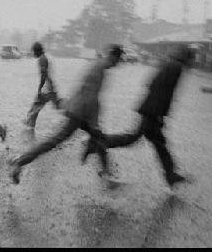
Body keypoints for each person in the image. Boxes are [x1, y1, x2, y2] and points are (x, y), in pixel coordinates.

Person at [8, 44, 125, 184]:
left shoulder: (98, 66)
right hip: (80, 112)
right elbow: (91, 99)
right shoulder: (99, 70)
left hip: (78, 109)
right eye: (119, 60)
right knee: (56, 140)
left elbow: (86, 93)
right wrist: (95, 124)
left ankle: (106, 174)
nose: (118, 63)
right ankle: (19, 161)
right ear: (114, 57)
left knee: (98, 140)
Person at [82, 44, 195, 188]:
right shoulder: (177, 68)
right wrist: (160, 114)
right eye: (192, 59)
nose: (192, 63)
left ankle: (171, 174)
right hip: (153, 111)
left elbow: (151, 84)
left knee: (159, 143)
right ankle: (98, 143)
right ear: (187, 57)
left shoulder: (168, 64)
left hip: (150, 108)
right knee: (134, 138)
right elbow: (166, 94)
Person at [24, 42, 63, 140]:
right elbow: (48, 74)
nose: (33, 54)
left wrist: (40, 89)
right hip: (51, 89)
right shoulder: (46, 57)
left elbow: (44, 75)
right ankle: (78, 119)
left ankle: (30, 139)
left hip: (46, 90)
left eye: (33, 52)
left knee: (32, 113)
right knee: (60, 108)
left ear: (36, 51)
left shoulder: (42, 59)